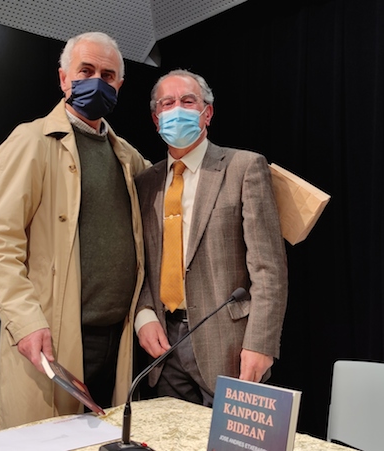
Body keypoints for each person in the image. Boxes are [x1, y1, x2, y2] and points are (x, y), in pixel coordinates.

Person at [0, 31, 150, 430]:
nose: (96, 82)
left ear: (120, 85)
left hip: (117, 338)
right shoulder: (30, 141)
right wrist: (25, 321)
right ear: (63, 78)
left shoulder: (127, 156)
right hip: (53, 335)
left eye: (108, 75)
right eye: (85, 71)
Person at [134, 69, 288, 406]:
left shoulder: (244, 167)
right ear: (156, 119)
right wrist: (144, 315)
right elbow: (141, 262)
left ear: (208, 113)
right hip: (164, 346)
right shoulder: (145, 183)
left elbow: (268, 269)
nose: (177, 109)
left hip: (229, 346)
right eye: (167, 103)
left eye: (188, 101)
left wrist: (261, 343)